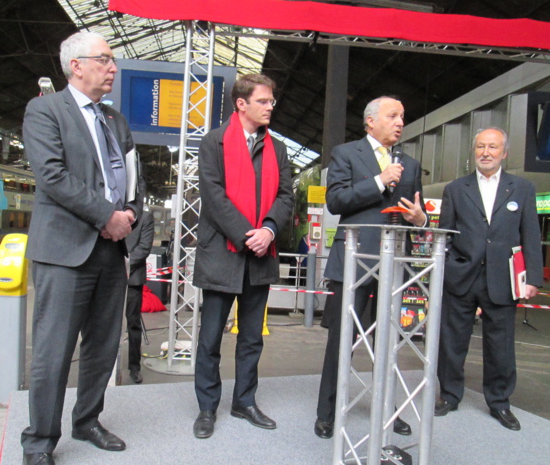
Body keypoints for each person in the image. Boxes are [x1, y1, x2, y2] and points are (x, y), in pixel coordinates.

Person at [20, 31, 145, 465]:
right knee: (54, 351)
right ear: (76, 65)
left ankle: (87, 420)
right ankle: (38, 441)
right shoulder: (45, 110)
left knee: (102, 346)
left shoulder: (116, 120)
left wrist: (128, 215)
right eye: (105, 60)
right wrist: (105, 216)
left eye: (113, 61)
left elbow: (133, 178)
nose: (114, 68)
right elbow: (53, 176)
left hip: (112, 251)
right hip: (65, 252)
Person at [314, 96, 427, 439]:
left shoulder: (410, 163)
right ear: (370, 121)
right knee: (341, 341)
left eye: (402, 116)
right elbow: (336, 201)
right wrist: (380, 181)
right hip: (353, 262)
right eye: (392, 115)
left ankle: (388, 409)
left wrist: (420, 220)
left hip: (394, 265)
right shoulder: (346, 153)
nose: (399, 122)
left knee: (389, 343)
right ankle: (327, 412)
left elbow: (417, 212)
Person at [191, 74, 293, 439]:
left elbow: (286, 196)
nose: (270, 107)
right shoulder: (213, 142)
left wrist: (267, 230)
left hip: (260, 254)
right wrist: (246, 235)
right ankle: (207, 407)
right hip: (222, 252)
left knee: (252, 337)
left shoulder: (277, 149)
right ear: (241, 104)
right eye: (263, 101)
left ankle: (244, 401)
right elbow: (213, 197)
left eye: (271, 101)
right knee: (211, 337)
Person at [434, 127, 543, 431]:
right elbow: (446, 234)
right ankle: (450, 395)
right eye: (480, 146)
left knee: (501, 346)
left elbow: (530, 234)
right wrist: (445, 269)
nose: (485, 152)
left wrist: (532, 276)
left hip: (503, 279)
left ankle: (499, 402)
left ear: (504, 153)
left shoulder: (521, 188)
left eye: (492, 147)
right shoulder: (456, 189)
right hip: (461, 276)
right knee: (452, 342)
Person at [125, 210, 155, 384]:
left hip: (133, 276)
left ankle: (134, 367)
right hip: (106, 275)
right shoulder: (110, 210)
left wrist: (123, 264)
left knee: (133, 323)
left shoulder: (145, 217)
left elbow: (144, 247)